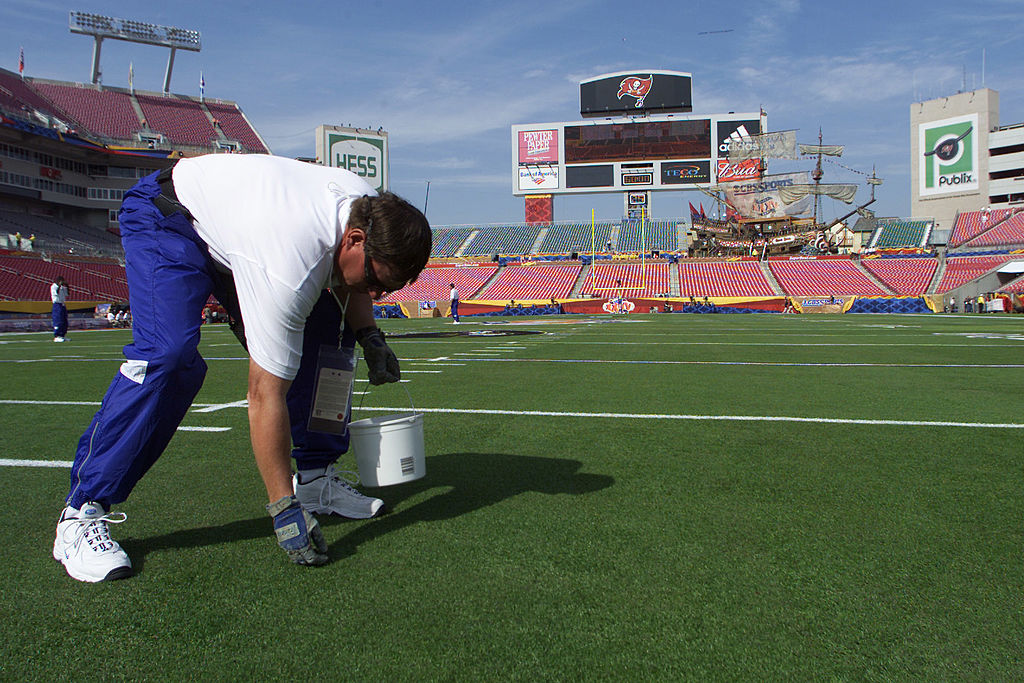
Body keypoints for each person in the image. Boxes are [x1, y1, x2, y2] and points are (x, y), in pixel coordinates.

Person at [52, 154, 431, 582]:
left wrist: (369, 335)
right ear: (355, 239)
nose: (376, 295)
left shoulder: (369, 209)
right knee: (168, 356)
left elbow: (357, 279)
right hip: (172, 217)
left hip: (243, 230)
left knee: (335, 336)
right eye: (375, 283)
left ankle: (315, 477)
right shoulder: (289, 264)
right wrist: (282, 510)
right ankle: (81, 512)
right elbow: (263, 394)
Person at [50, 276, 69, 342]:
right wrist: (59, 285)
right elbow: (56, 293)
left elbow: (67, 294)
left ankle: (62, 335)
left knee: (64, 321)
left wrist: (66, 285)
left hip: (62, 304)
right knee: (58, 320)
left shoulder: (62, 287)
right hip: (57, 304)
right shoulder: (54, 286)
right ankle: (57, 336)